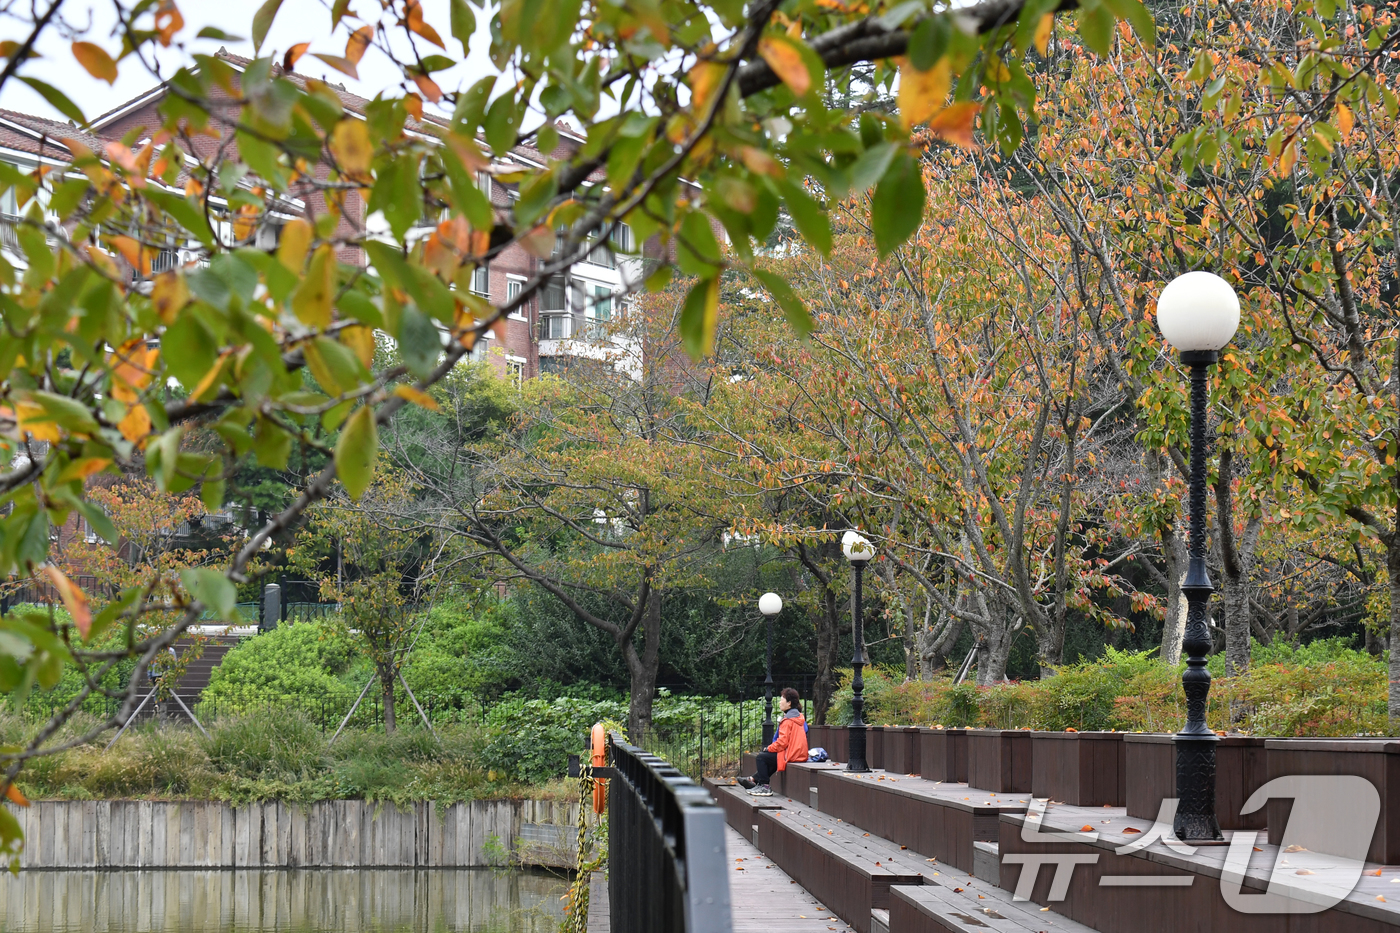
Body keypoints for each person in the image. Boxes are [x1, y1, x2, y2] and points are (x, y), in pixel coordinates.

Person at [737, 687, 808, 796]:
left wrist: (769, 748)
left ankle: (764, 786)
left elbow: (782, 742)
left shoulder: (788, 720)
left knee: (762, 757)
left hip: (791, 754)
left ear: (789, 703)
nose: (779, 702)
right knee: (771, 758)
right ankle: (755, 781)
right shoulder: (799, 717)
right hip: (799, 753)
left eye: (782, 700)